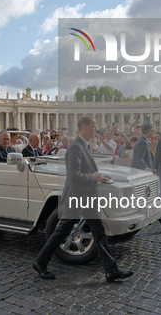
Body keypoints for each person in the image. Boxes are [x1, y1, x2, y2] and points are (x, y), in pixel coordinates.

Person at [33, 116, 134, 282]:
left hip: (86, 198)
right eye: (94, 126)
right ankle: (39, 262)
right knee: (61, 233)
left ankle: (111, 271)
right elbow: (74, 176)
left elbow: (85, 171)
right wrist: (94, 177)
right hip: (77, 198)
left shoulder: (83, 145)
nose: (96, 129)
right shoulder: (75, 147)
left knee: (99, 233)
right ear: (85, 127)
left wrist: (100, 176)